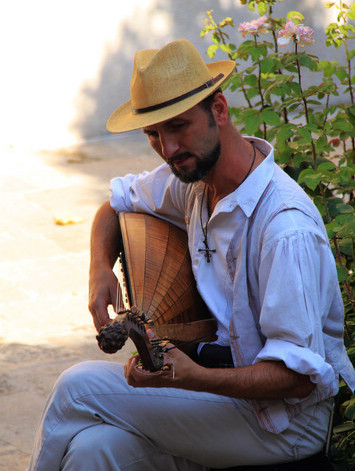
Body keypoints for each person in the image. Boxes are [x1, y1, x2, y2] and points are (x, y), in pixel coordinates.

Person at [28, 39, 355, 471]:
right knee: (95, 450)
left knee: (77, 387)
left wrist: (192, 376)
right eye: (153, 135)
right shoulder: (193, 180)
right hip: (217, 397)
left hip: (283, 423)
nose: (167, 149)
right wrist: (99, 269)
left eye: (178, 127)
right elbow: (115, 204)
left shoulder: (284, 229)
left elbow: (296, 379)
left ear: (218, 109)